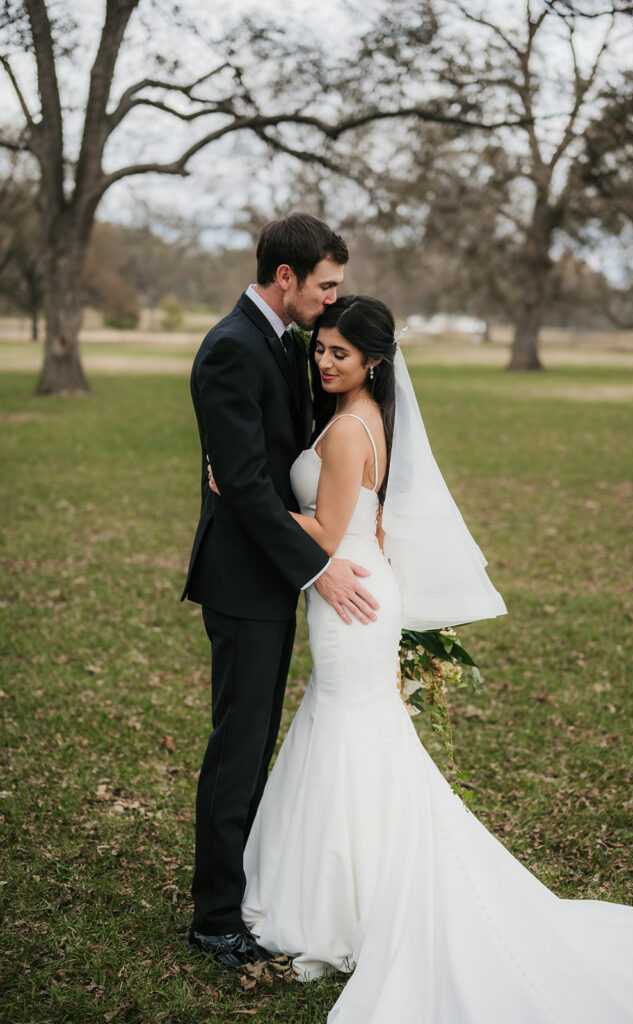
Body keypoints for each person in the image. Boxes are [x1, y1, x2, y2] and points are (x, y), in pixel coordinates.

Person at [209, 294, 633, 1022]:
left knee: (347, 731)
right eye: (320, 349)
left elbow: (329, 534)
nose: (323, 362)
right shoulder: (371, 417)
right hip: (364, 591)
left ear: (372, 359)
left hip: (348, 597)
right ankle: (353, 881)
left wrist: (239, 496)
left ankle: (345, 900)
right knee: (359, 732)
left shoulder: (344, 434)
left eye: (338, 352)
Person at [181, 215, 380, 969]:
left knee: (255, 736)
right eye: (326, 284)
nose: (334, 301)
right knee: (238, 745)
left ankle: (240, 890)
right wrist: (317, 565)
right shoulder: (231, 347)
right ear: (286, 276)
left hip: (273, 569)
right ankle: (214, 918)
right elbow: (242, 483)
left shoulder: (286, 341)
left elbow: (275, 463)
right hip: (244, 580)